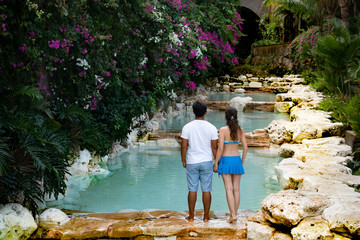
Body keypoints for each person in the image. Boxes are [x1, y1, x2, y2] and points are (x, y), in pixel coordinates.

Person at [181, 100, 218, 222]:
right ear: (206, 112)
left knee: (192, 189)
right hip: (207, 160)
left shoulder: (187, 127)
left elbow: (184, 146)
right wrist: (216, 162)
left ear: (193, 112)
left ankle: (191, 217)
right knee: (206, 189)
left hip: (192, 161)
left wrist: (183, 160)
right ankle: (206, 217)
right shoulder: (212, 128)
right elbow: (214, 147)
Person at [213, 106, 248, 223]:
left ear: (226, 117)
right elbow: (246, 148)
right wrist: (242, 162)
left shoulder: (222, 130)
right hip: (237, 160)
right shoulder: (240, 130)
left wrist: (216, 162)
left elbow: (221, 148)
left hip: (226, 160)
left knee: (229, 189)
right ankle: (235, 214)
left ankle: (233, 215)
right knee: (236, 189)